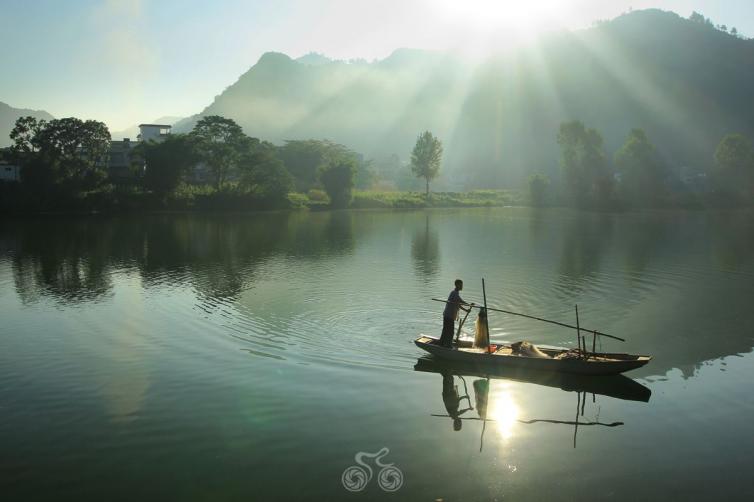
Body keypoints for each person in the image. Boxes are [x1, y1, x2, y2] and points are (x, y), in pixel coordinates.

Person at [440, 279, 471, 347]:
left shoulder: (455, 293)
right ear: (457, 285)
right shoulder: (454, 293)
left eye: (462, 285)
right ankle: (447, 345)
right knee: (450, 331)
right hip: (449, 315)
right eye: (461, 285)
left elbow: (458, 304)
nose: (462, 286)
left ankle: (442, 343)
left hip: (448, 315)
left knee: (446, 330)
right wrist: (469, 305)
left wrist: (466, 309)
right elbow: (460, 301)